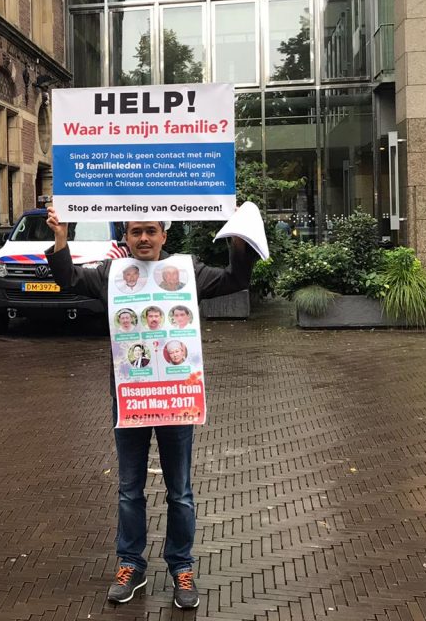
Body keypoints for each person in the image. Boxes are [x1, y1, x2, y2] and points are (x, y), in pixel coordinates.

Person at [46, 211, 255, 610]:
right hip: (131, 399)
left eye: (151, 231)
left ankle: (182, 568)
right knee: (129, 489)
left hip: (175, 399)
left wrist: (239, 240)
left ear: (163, 236)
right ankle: (131, 565)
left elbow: (235, 280)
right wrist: (60, 237)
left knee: (180, 491)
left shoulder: (187, 271)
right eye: (136, 231)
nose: (144, 238)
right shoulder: (111, 273)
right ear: (126, 236)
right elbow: (67, 278)